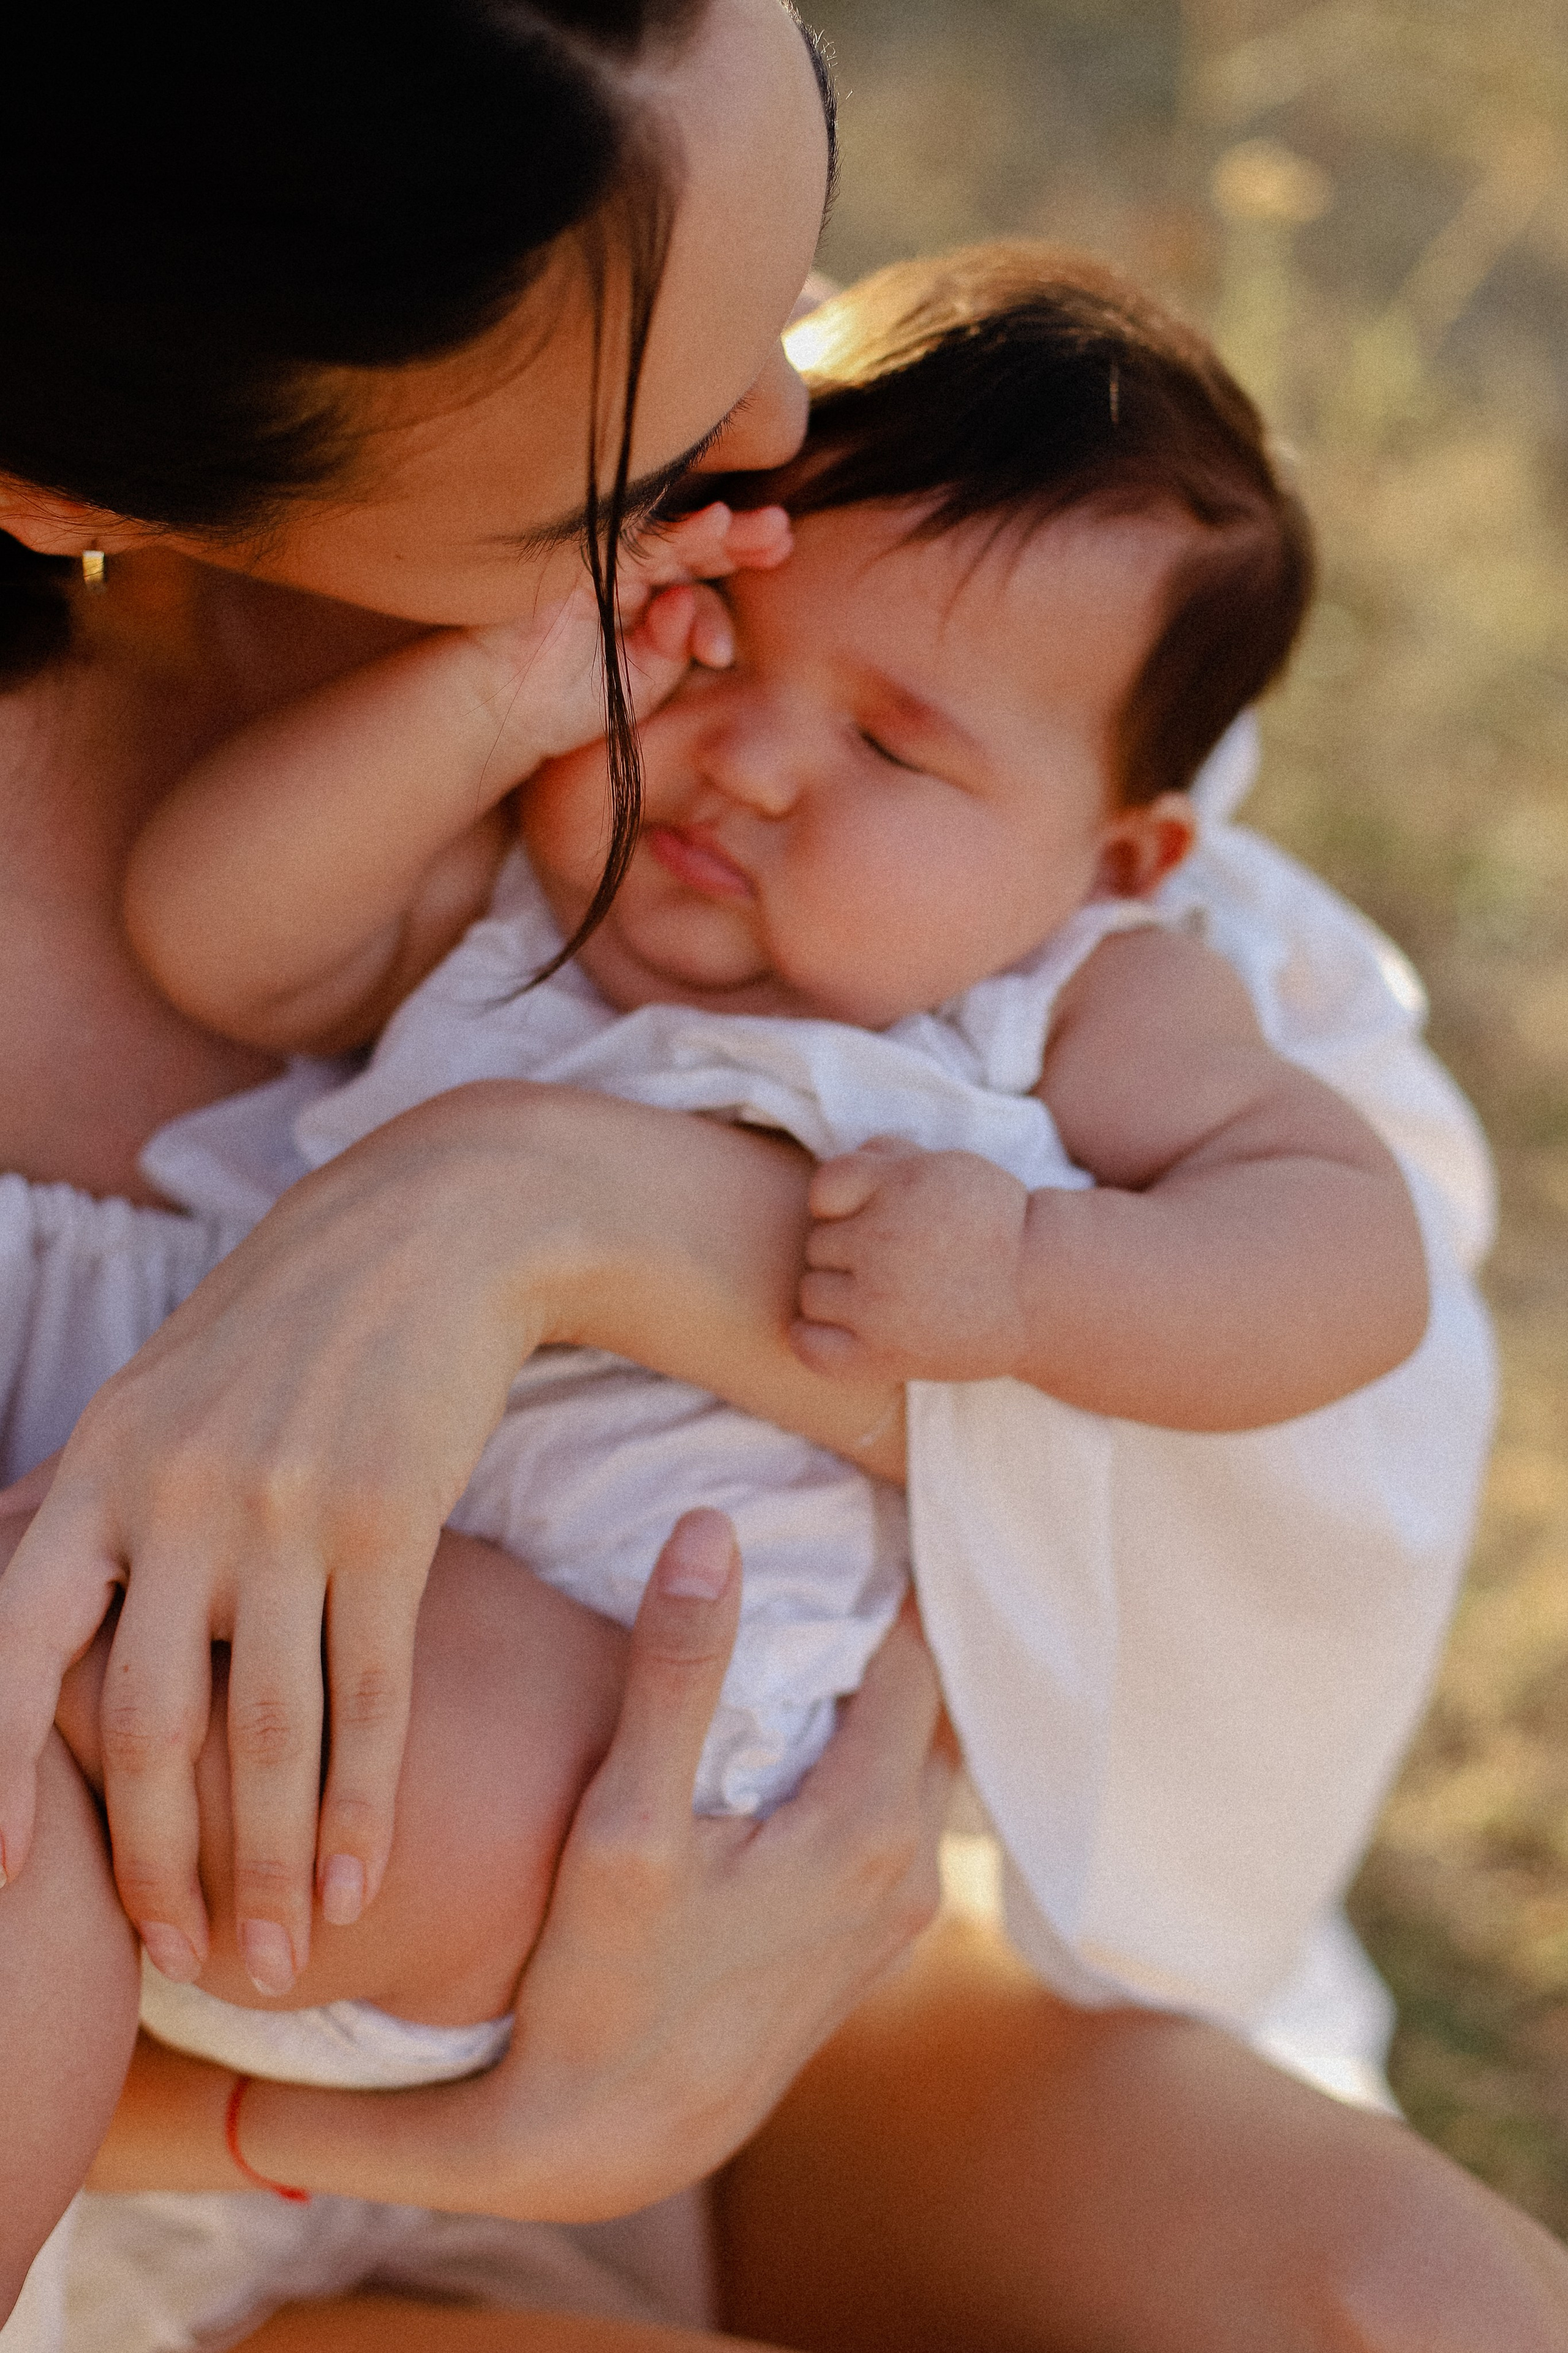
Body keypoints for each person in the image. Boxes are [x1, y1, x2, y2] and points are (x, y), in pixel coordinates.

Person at [0, 0, 1562, 2338]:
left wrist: (574, 1221)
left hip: (769, 1939)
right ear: (95, 485)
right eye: (634, 438)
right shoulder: (588, 754)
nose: (788, 432)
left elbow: (1326, 1391)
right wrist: (469, 2141)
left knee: (1425, 2313)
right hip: (198, 2079)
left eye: (795, 258)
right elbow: (214, 930)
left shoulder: (877, 595)